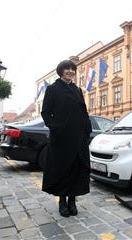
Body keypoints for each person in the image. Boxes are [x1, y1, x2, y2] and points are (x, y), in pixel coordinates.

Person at [41, 59, 92, 217]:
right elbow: (45, 112)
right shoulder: (53, 89)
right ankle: (62, 201)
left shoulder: (77, 90)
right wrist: (56, 127)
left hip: (78, 138)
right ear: (61, 71)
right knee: (63, 169)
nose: (70, 71)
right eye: (67, 69)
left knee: (77, 169)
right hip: (62, 138)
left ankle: (72, 200)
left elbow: (83, 111)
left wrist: (86, 127)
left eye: (73, 69)